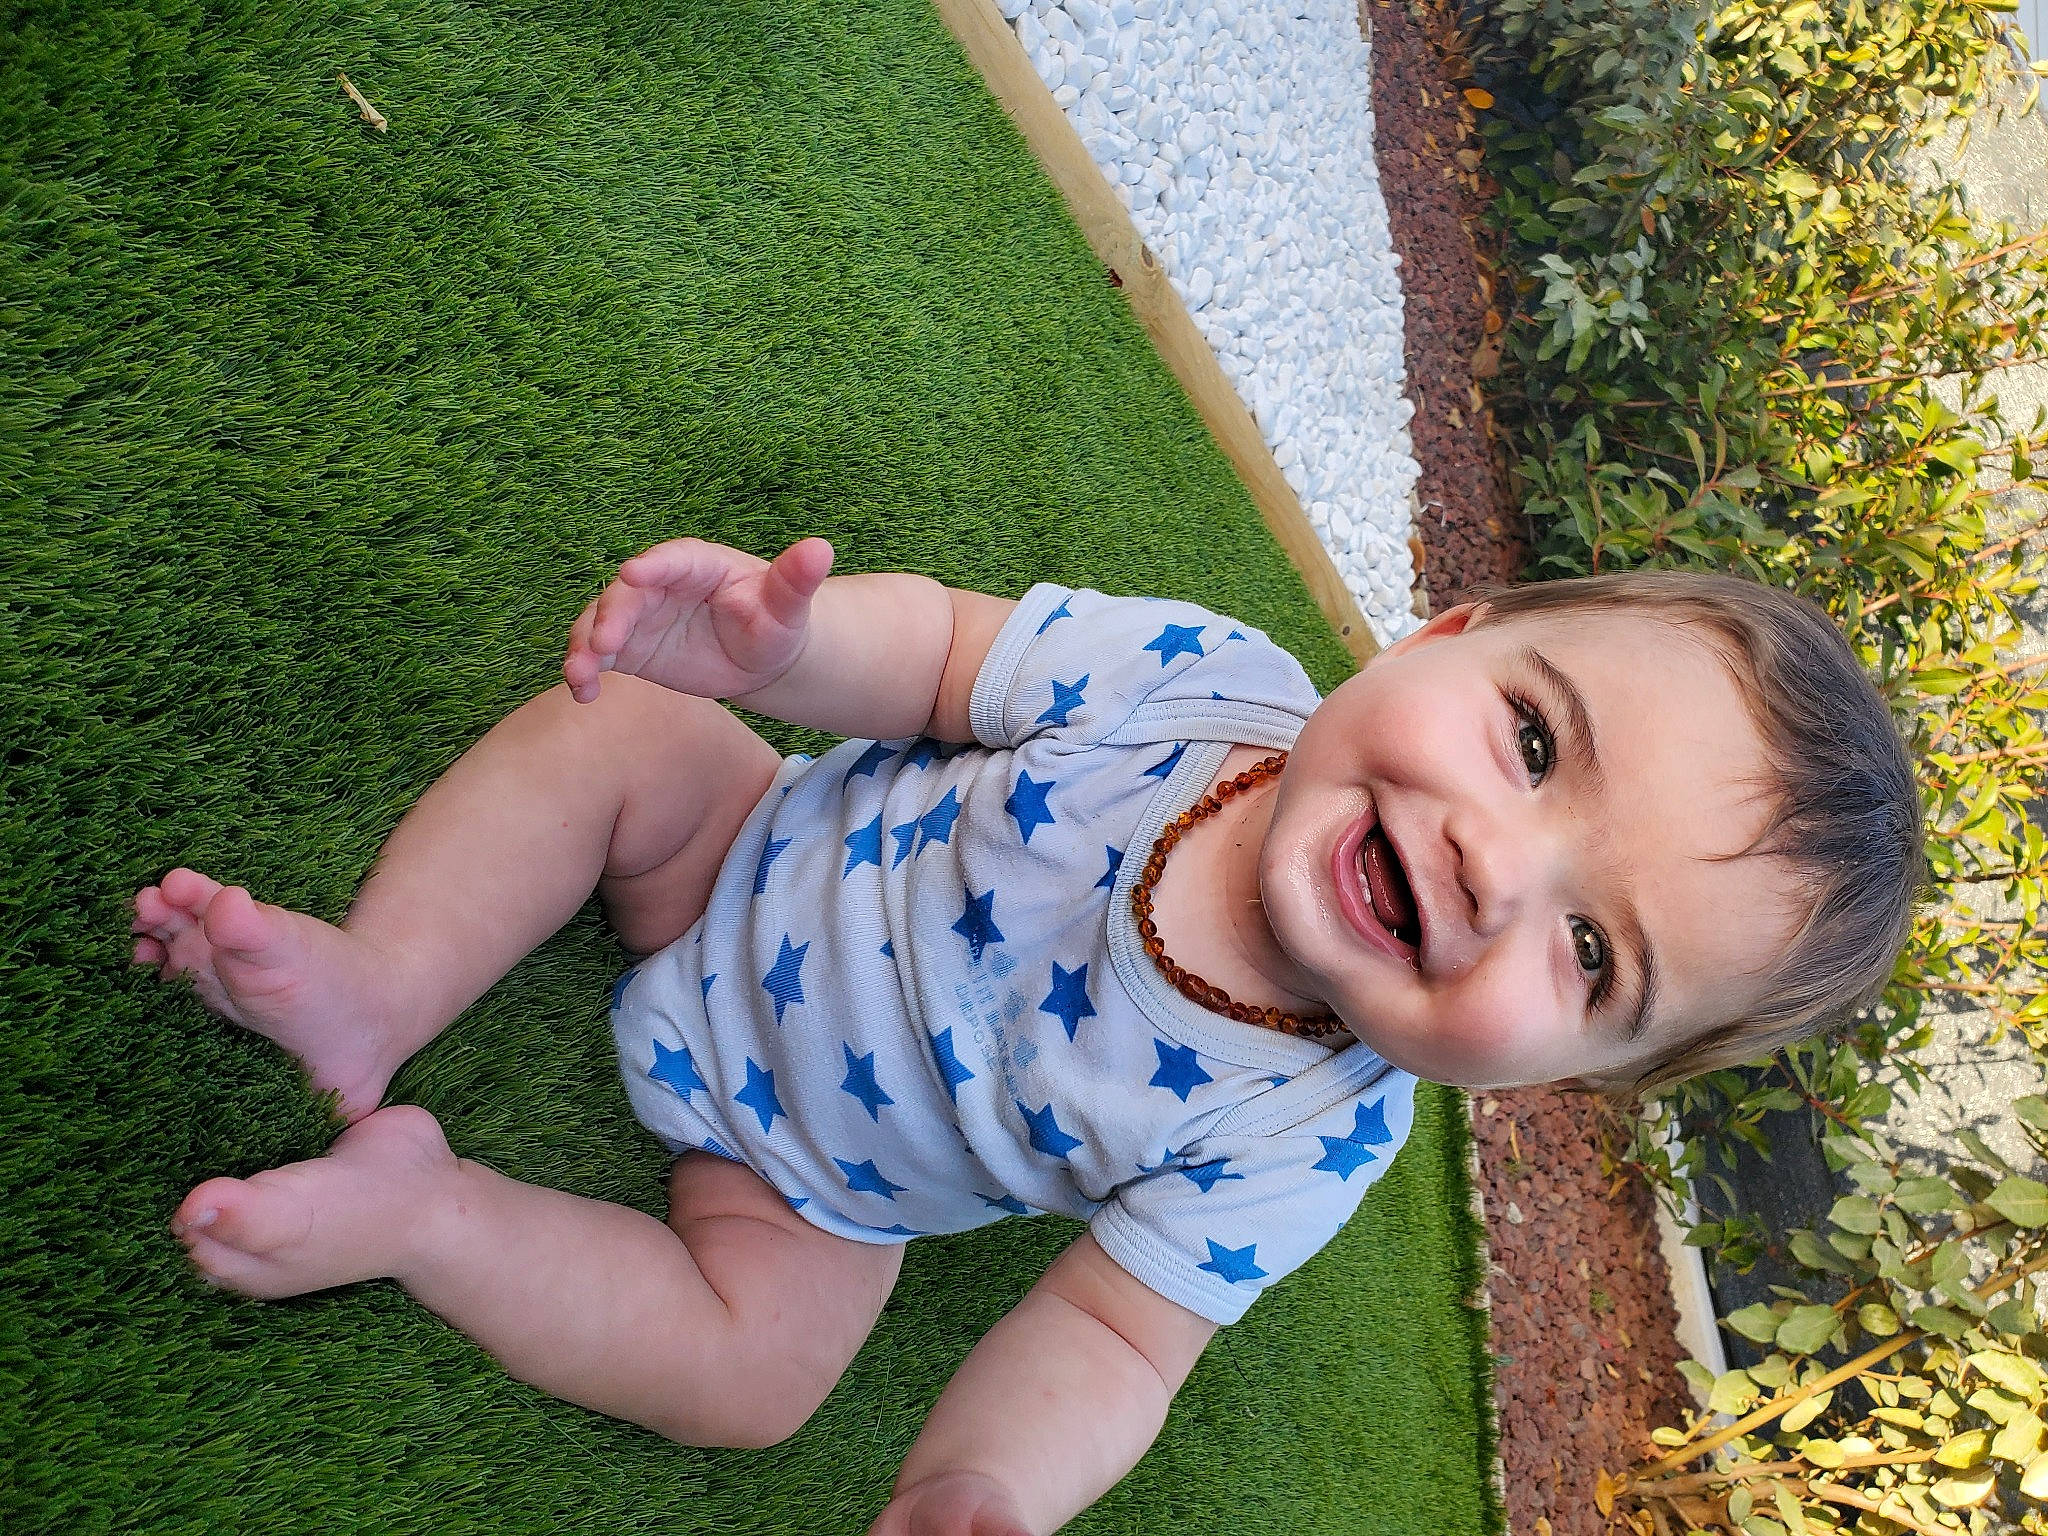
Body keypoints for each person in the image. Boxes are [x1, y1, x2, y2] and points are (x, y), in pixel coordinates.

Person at [130, 535, 1921, 1535]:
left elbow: (1115, 1345)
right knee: (622, 741)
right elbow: (942, 663)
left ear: (1574, 1077)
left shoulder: (1315, 1134)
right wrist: (780, 645)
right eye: (1533, 745)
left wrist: (984, 1488)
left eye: (1593, 952)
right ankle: (382, 981)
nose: (1491, 862)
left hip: (810, 1183)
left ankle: (431, 1214)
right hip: (729, 854)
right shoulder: (1198, 683)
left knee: (758, 1378)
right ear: (1446, 633)